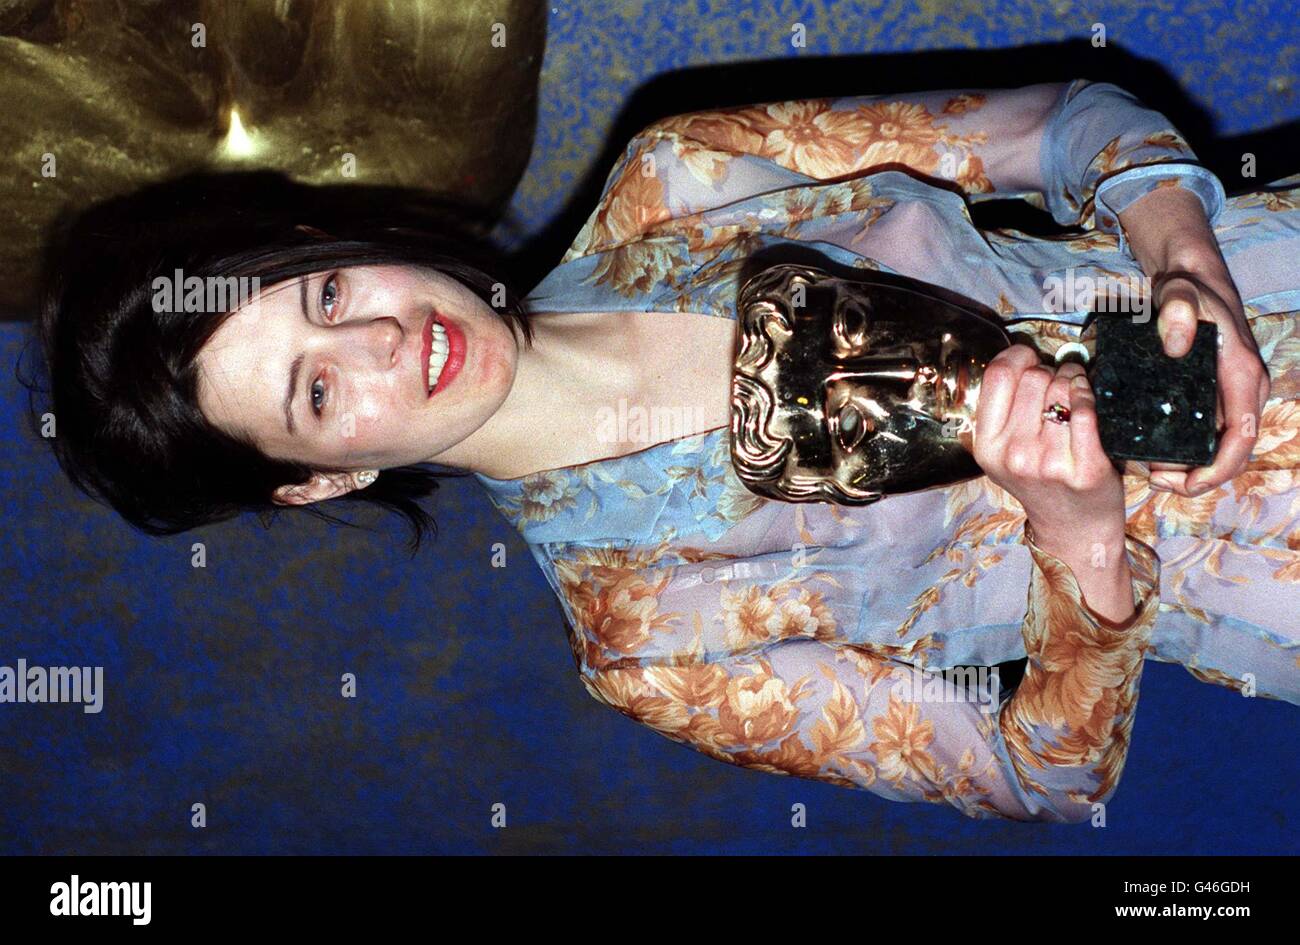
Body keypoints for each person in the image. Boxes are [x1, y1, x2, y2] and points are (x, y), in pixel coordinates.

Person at [32, 79, 1299, 822]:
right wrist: (1078, 541)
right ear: (324, 479)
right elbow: (1046, 776)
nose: (382, 338)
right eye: (316, 391)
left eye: (320, 294)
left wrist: (1173, 243)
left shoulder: (681, 174)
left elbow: (1071, 125)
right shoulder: (645, 640)